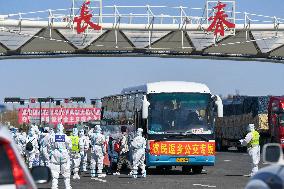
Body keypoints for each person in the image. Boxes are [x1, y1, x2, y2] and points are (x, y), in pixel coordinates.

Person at [48, 123, 72, 189]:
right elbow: (70, 147)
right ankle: (67, 186)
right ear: (63, 128)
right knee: (66, 170)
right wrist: (66, 150)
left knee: (55, 171)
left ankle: (54, 186)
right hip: (64, 154)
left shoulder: (53, 136)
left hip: (55, 154)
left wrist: (51, 152)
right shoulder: (66, 137)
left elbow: (49, 146)